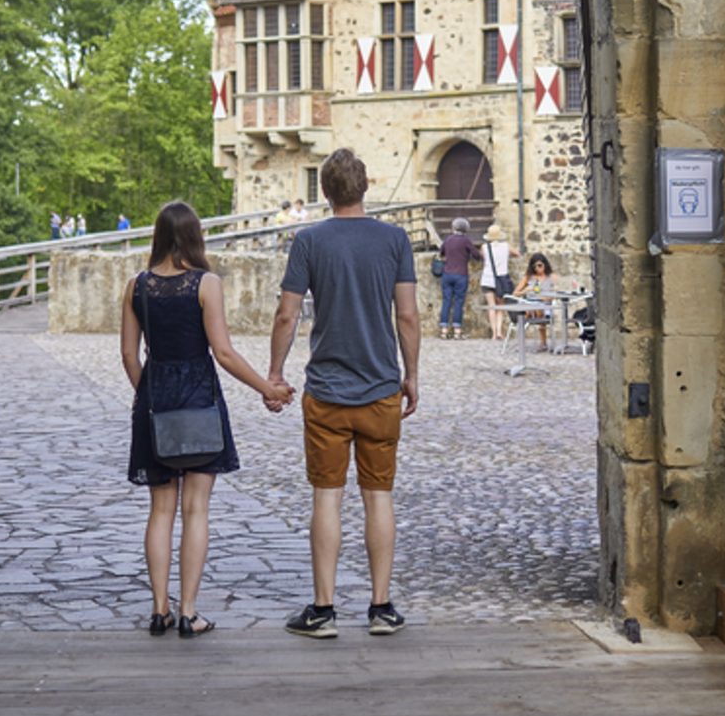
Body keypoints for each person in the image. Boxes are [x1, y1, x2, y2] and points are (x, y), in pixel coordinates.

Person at [121, 201, 293, 639]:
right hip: (198, 397)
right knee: (196, 509)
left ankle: (158, 609)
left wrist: (149, 394)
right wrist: (267, 388)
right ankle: (188, 611)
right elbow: (224, 352)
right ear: (195, 236)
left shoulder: (135, 286)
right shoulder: (206, 283)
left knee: (161, 510)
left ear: (158, 235)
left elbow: (128, 354)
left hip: (155, 401)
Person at [267, 148, 420, 639]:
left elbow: (287, 315)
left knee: (326, 500)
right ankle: (381, 608)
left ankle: (323, 610)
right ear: (366, 187)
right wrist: (410, 375)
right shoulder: (395, 240)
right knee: (379, 498)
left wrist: (275, 373)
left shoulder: (308, 241)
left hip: (328, 393)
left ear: (326, 192)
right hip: (379, 391)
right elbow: (408, 315)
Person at [437, 217, 482, 339]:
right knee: (458, 302)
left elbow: (441, 253)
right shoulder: (465, 241)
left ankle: (444, 330)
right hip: (461, 274)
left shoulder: (448, 240)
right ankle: (457, 331)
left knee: (446, 301)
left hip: (447, 274)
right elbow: (476, 255)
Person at [480, 224, 521, 342]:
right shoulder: (506, 247)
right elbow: (517, 253)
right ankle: (499, 332)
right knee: (500, 307)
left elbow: (482, 256)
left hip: (487, 279)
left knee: (491, 307)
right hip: (501, 279)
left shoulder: (484, 247)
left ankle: (493, 334)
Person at [513, 252, 556, 352]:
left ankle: (543, 342)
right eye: (535, 266)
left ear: (545, 264)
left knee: (539, 307)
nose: (538, 268)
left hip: (544, 303)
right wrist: (526, 290)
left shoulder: (550, 277)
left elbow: (555, 293)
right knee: (530, 306)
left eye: (540, 265)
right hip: (530, 302)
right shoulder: (528, 277)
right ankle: (532, 316)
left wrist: (547, 296)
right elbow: (515, 293)